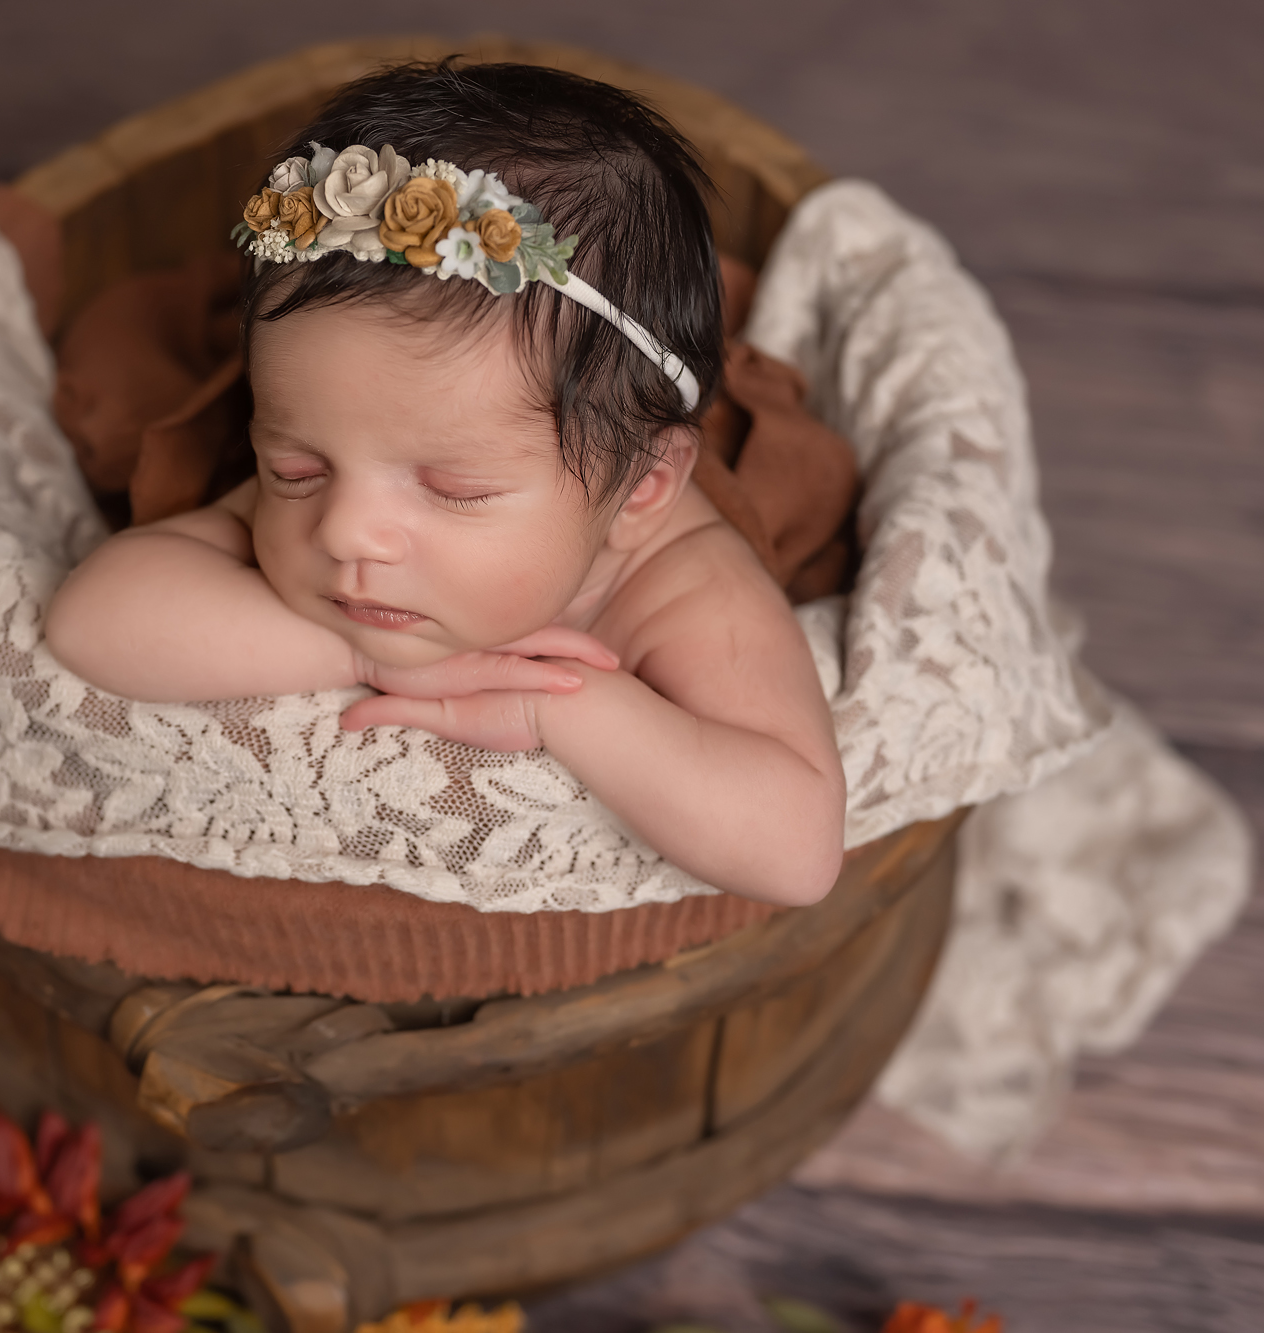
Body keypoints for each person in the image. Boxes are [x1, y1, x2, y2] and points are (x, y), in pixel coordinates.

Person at [46, 61, 844, 907]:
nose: (346, 529)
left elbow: (795, 848)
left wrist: (561, 706)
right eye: (294, 468)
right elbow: (92, 621)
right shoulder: (357, 454)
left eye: (454, 489)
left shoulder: (682, 582)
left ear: (642, 490)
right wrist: (362, 650)